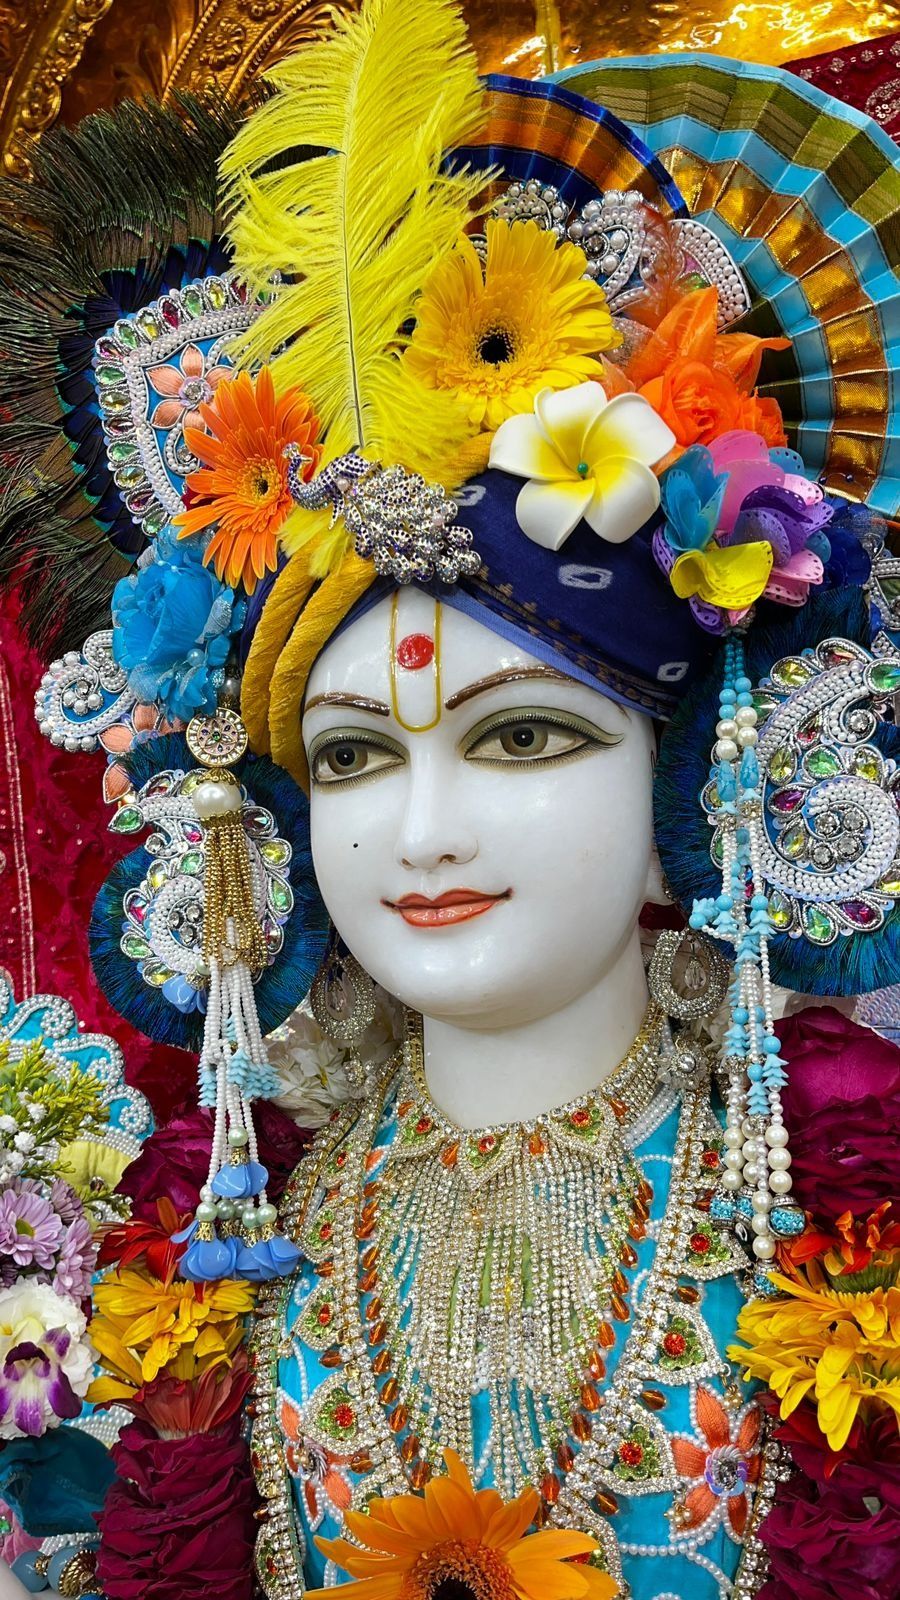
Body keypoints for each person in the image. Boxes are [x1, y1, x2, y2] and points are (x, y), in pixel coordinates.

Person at [3, 2, 900, 1595]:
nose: (419, 832)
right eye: (350, 758)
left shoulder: (847, 1199)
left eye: (526, 739)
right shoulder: (229, 1232)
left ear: (697, 776)